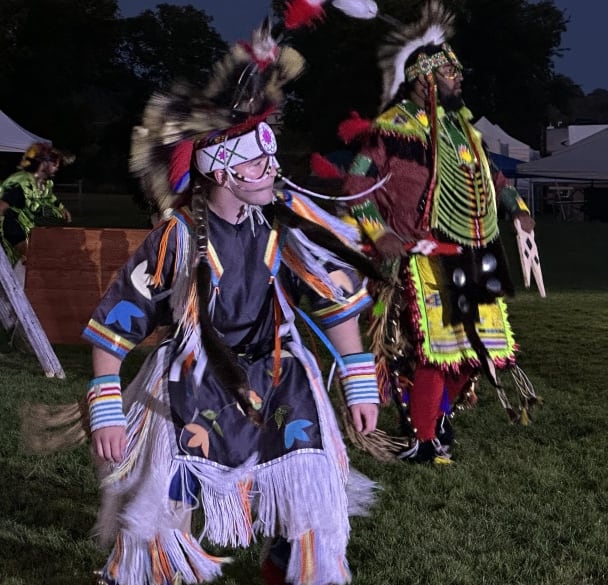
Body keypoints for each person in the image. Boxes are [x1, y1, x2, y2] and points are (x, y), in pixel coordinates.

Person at [83, 22, 380, 585]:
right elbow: (119, 317)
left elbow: (333, 298)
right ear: (219, 167)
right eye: (257, 159)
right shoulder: (177, 237)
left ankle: (303, 571)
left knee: (313, 486)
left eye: (271, 156)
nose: (272, 168)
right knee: (159, 496)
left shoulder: (283, 223)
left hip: (280, 372)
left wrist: (357, 377)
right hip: (193, 377)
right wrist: (106, 404)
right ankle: (152, 572)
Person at [342, 0, 537, 464]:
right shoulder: (391, 129)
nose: (459, 80)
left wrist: (519, 212)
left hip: (474, 250)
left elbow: (497, 181)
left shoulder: (465, 132)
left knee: (480, 351)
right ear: (424, 80)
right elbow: (354, 188)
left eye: (458, 73)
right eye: (450, 74)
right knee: (434, 352)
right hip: (420, 254)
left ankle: (441, 414)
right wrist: (379, 233)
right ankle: (424, 438)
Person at [0, 142, 73, 267]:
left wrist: (61, 208)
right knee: (32, 258)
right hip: (10, 227)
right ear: (44, 163)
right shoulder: (22, 184)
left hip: (24, 227)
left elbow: (47, 200)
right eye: (54, 163)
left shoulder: (43, 184)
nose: (57, 167)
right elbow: (1, 207)